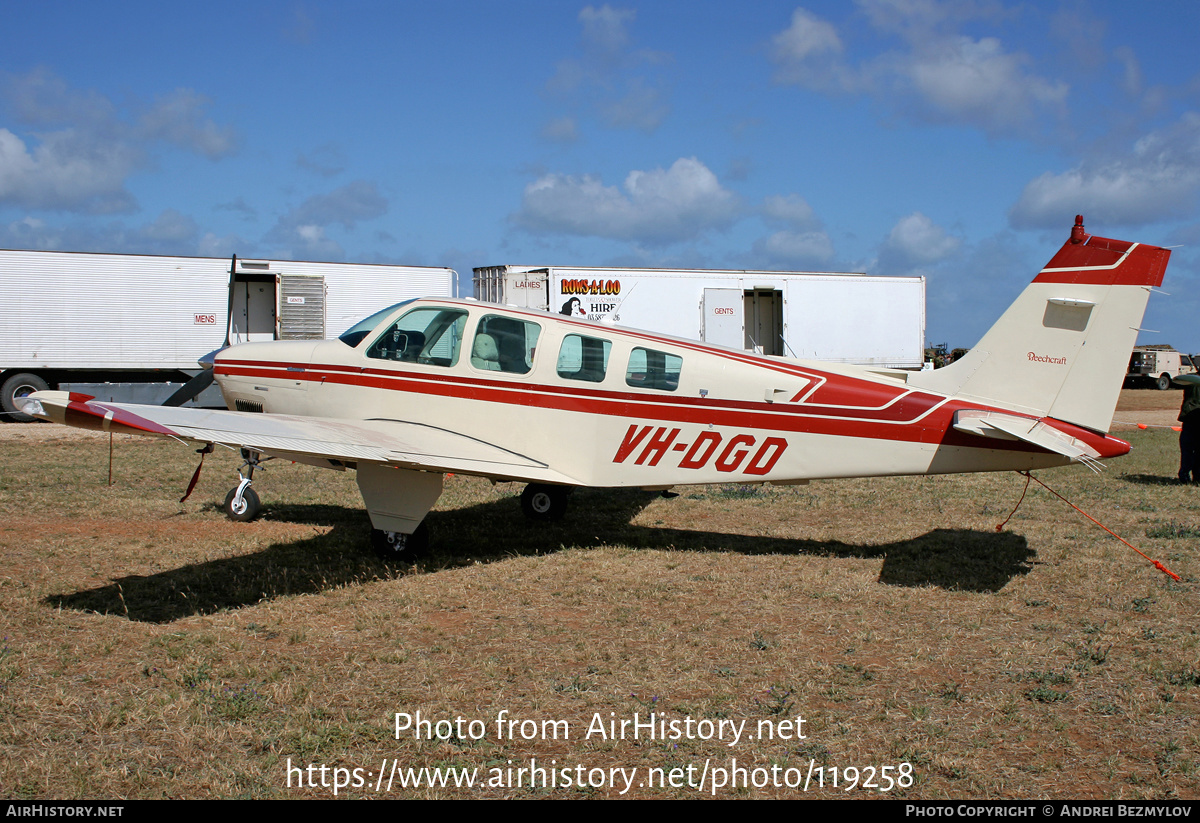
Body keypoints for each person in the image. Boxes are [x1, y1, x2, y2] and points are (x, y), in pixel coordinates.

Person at [1176, 374, 1200, 484]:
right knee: (1189, 449)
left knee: (1189, 449)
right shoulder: (1193, 380)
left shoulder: (1191, 379)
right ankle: (1186, 475)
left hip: (1190, 417)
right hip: (1192, 418)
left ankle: (1190, 475)